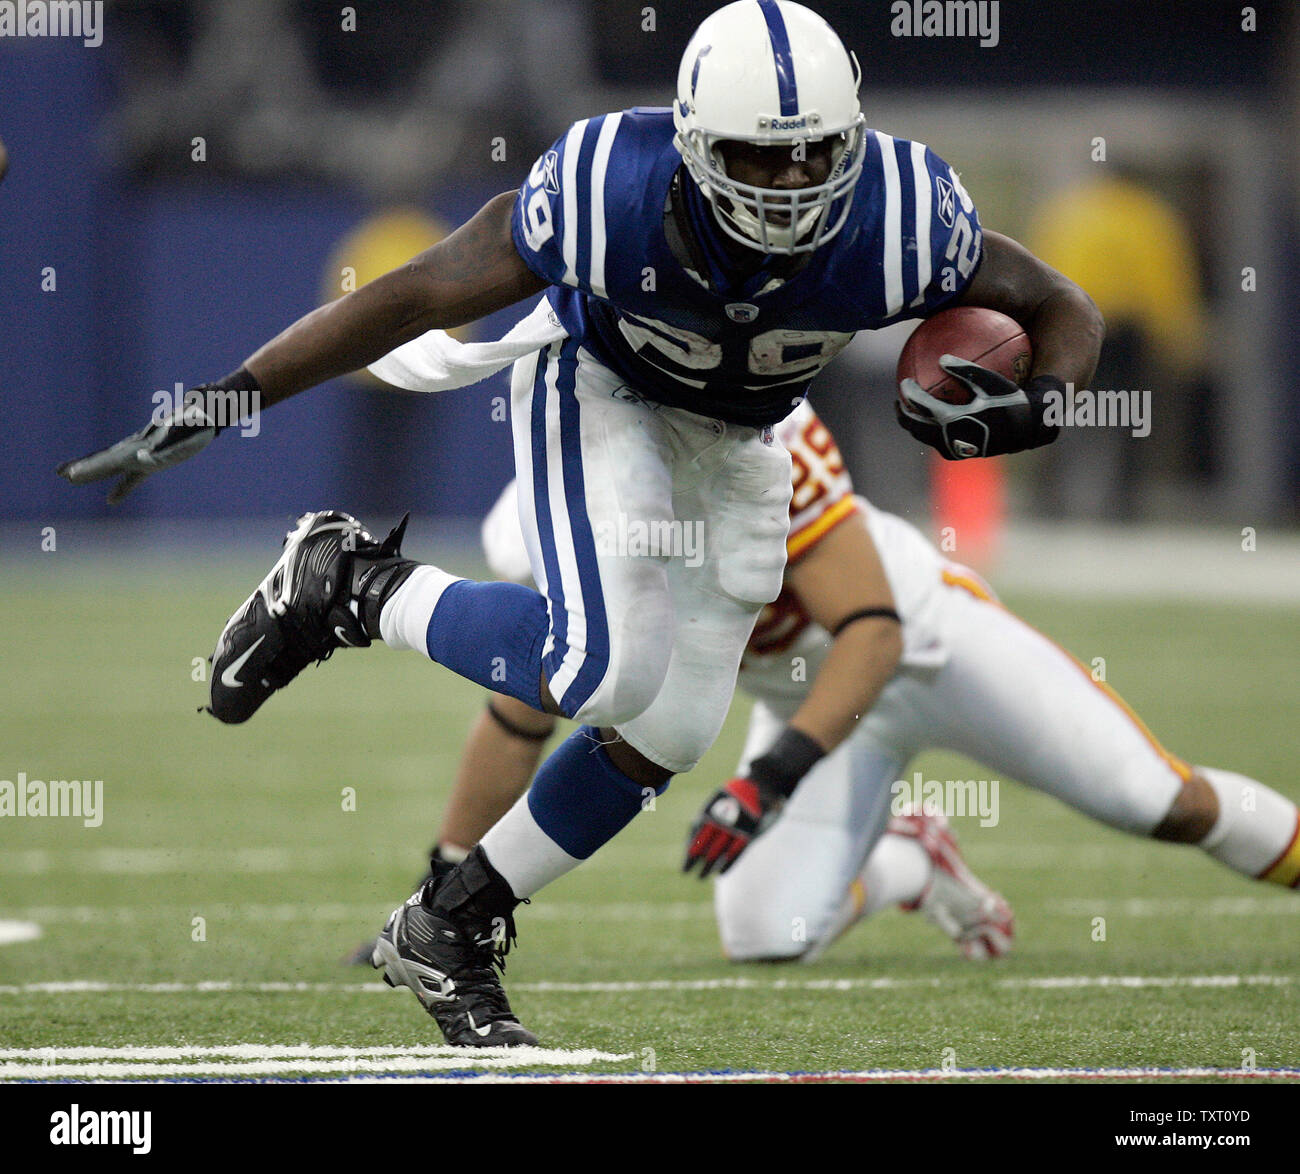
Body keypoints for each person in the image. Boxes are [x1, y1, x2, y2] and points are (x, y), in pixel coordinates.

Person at [55, 1, 1103, 1046]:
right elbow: (416, 293)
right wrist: (228, 396)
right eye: (758, 156)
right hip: (598, 386)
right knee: (602, 668)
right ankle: (344, 579)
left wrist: (1043, 401)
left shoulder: (906, 212)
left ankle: (450, 923)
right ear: (694, 145)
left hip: (742, 434)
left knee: (674, 727)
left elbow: (1064, 305)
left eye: (812, 154)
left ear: (851, 137)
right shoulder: (612, 189)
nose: (788, 184)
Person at [407, 402, 1299, 967]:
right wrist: (447, 882)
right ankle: (910, 862)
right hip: (814, 709)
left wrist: (769, 778)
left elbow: (874, 637)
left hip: (931, 655)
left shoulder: (758, 441)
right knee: (763, 934)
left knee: (1157, 801)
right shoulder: (546, 523)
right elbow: (519, 717)